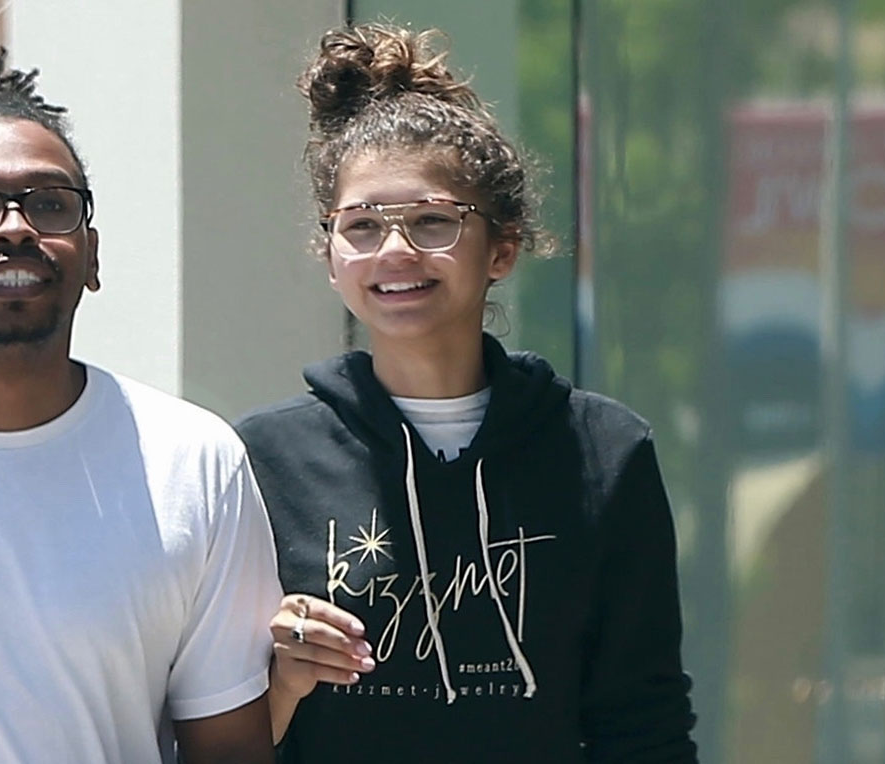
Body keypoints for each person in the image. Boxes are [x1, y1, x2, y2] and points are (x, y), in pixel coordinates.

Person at [235, 23, 698, 762]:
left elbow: (644, 722)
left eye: (432, 221)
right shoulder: (258, 459)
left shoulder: (605, 451)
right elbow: (213, 737)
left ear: (502, 249)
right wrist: (281, 682)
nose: (395, 250)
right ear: (331, 257)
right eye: (361, 226)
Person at [0, 51, 280, 764]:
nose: (15, 228)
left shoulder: (194, 462)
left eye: (50, 204)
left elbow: (229, 750)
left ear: (92, 254)